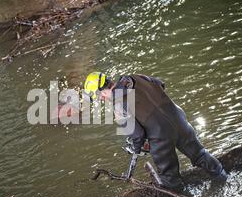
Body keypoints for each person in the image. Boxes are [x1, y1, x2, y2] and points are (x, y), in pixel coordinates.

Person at [83, 72, 229, 189]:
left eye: (99, 98)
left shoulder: (118, 107)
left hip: (161, 135)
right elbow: (161, 84)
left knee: (169, 177)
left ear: (100, 93)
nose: (102, 100)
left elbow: (138, 135)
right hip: (179, 118)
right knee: (200, 154)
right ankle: (223, 177)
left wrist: (136, 147)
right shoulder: (134, 77)